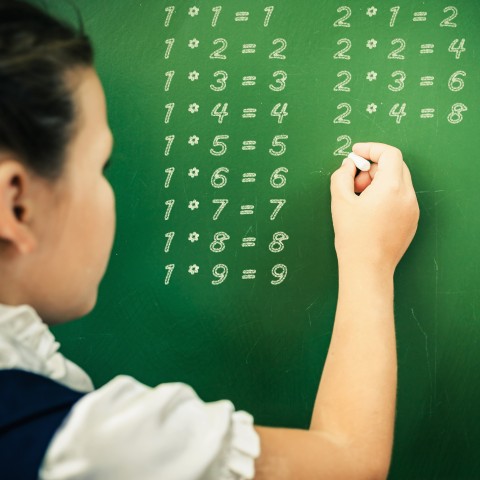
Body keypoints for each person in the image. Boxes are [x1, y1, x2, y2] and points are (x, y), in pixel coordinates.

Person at [0, 1, 420, 479]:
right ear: (17, 206)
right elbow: (349, 464)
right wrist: (369, 260)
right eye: (102, 166)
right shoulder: (94, 444)